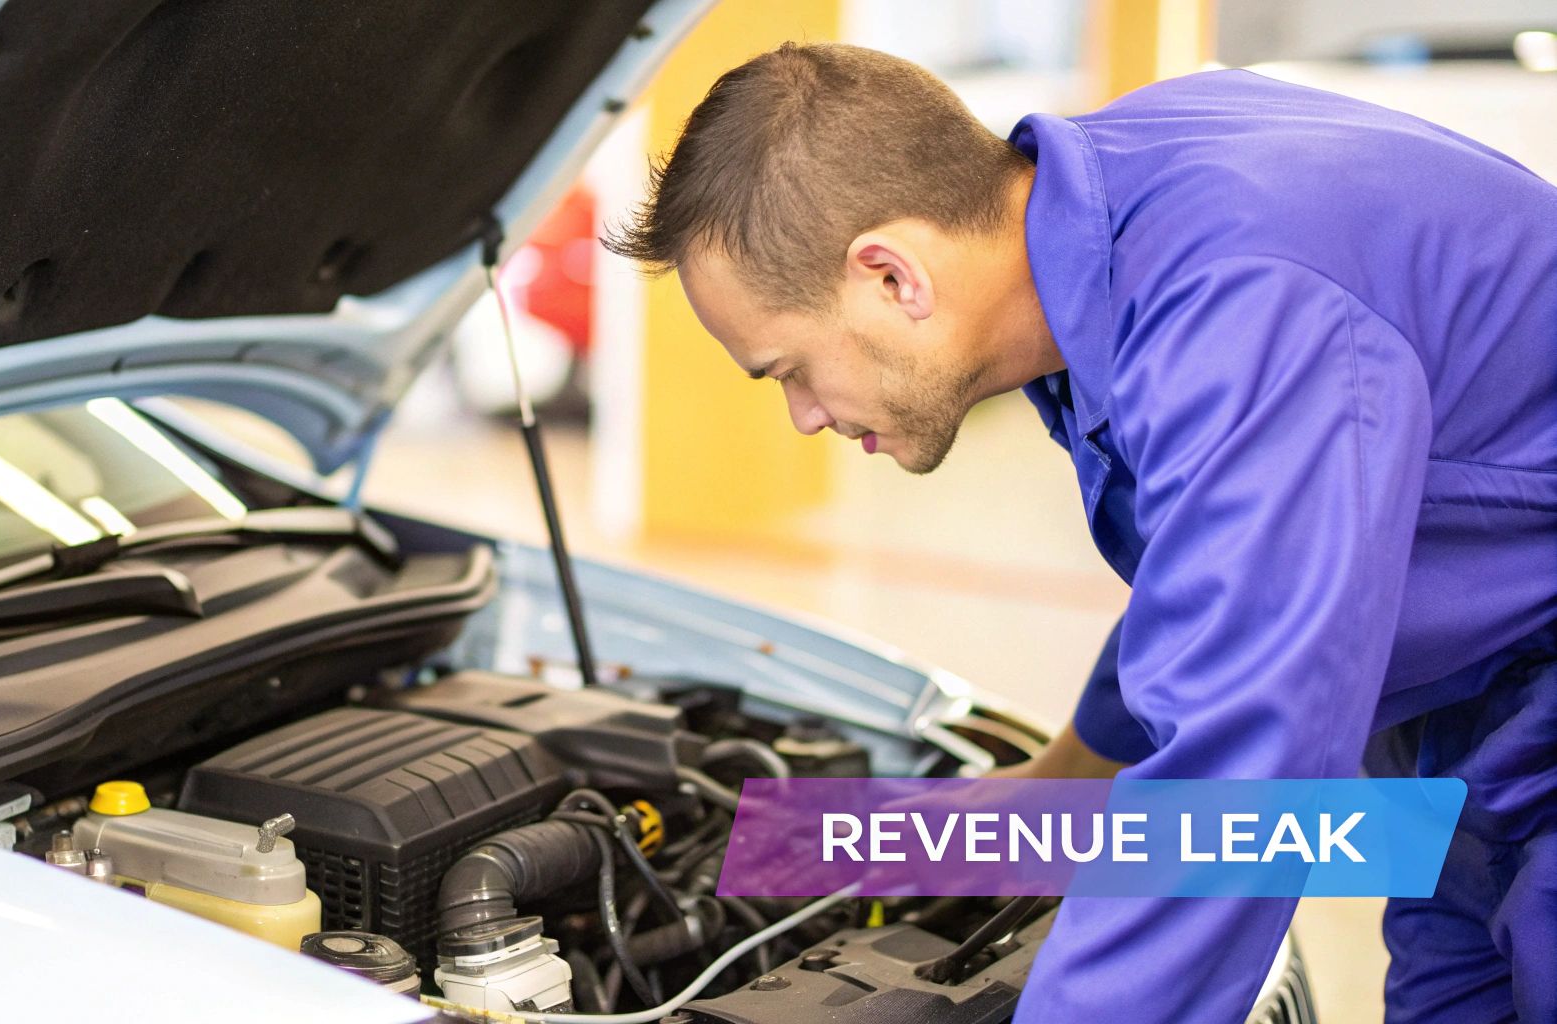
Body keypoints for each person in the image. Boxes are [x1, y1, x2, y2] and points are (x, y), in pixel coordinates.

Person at [603, 42, 1557, 1023]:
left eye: (787, 368)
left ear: (891, 276)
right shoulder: (1098, 221)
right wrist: (1060, 777)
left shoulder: (1235, 301)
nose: (802, 415)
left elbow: (1243, 767)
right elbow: (1216, 572)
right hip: (1477, 701)